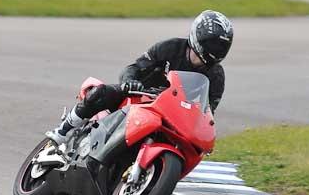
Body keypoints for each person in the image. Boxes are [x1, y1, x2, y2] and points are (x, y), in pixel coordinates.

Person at [46, 9, 233, 146]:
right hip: (139, 95)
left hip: (171, 116)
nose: (215, 50)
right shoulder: (170, 48)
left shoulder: (216, 76)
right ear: (198, 36)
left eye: (221, 46)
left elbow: (208, 112)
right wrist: (129, 82)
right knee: (102, 92)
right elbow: (134, 67)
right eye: (213, 44)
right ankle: (65, 129)